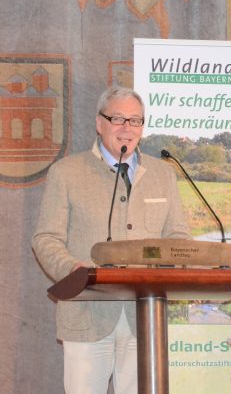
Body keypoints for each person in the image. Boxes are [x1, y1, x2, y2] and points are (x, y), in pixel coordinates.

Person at [32, 86, 191, 394]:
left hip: (145, 317)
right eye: (118, 118)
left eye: (135, 120)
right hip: (86, 314)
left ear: (143, 127)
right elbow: (46, 238)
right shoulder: (66, 173)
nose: (127, 128)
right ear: (98, 123)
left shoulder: (163, 174)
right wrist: (75, 270)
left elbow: (178, 236)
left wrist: (175, 263)